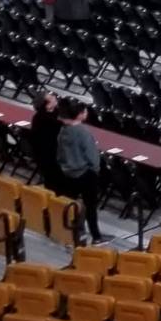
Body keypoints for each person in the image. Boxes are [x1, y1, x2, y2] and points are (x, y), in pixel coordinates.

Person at [54, 102, 106, 246]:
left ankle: (75, 235)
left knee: (72, 206)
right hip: (85, 174)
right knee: (90, 206)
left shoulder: (63, 130)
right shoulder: (83, 132)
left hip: (68, 173)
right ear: (80, 114)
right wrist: (95, 170)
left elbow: (60, 154)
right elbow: (92, 155)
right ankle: (96, 236)